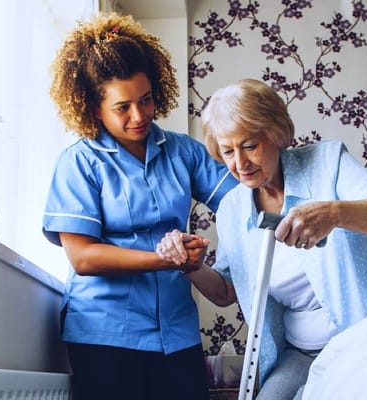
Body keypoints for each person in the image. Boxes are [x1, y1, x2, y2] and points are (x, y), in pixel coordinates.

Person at [157, 78, 367, 400]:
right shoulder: (232, 209)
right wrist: (191, 266)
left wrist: (335, 213)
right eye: (228, 151)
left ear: (276, 134)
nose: (240, 164)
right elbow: (227, 291)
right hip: (298, 353)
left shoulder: (328, 163)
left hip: (364, 341)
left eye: (250, 146)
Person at [41, 12, 239, 400]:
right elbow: (83, 257)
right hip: (104, 333)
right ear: (94, 108)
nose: (139, 115)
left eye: (146, 100)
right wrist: (168, 258)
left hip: (177, 332)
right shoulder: (78, 163)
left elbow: (242, 201)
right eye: (123, 107)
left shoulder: (183, 152)